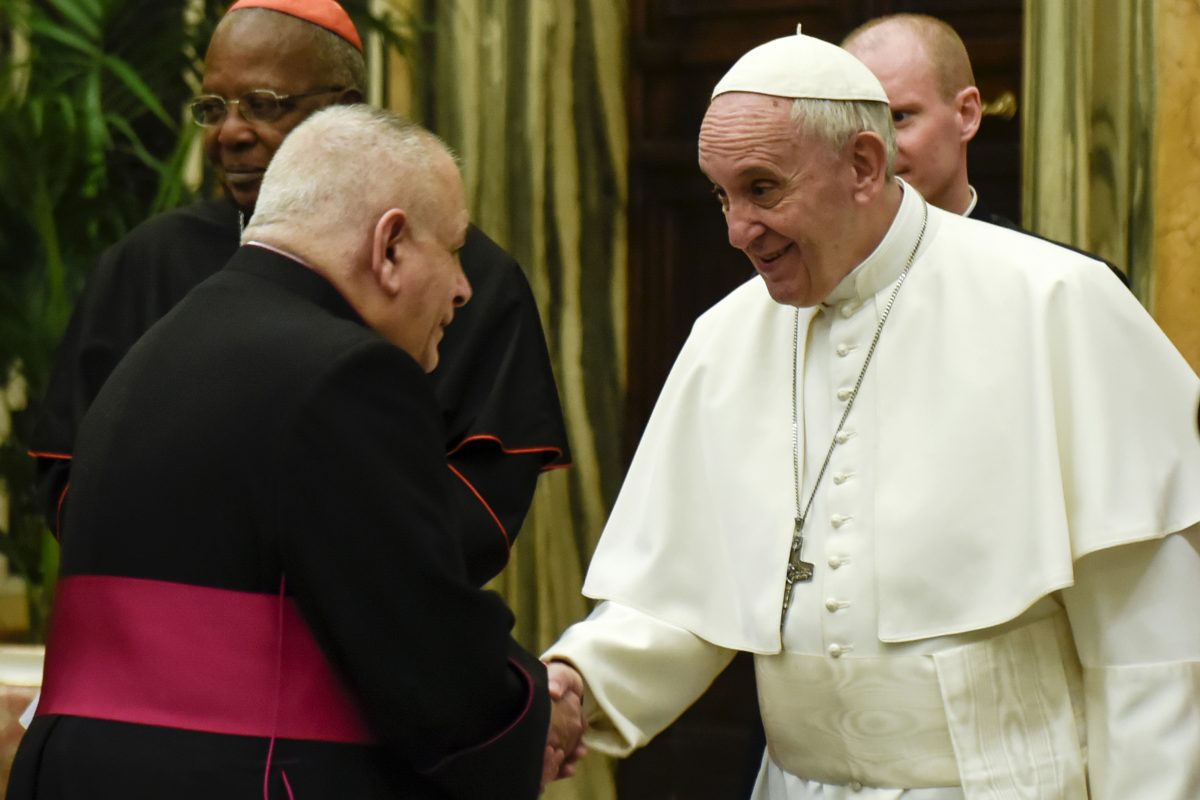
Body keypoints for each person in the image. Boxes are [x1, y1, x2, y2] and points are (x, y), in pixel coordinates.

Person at [543, 29, 1200, 799]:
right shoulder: (726, 338)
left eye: (762, 188)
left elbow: (1145, 636)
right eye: (721, 195)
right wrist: (574, 686)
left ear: (862, 164)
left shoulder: (1054, 302)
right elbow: (683, 594)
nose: (735, 230)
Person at [7, 105, 583, 799]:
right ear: (391, 246)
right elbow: (419, 644)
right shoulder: (347, 375)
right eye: (455, 249)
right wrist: (530, 706)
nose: (464, 287)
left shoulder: (161, 346)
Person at [29, 0, 568, 586]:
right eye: (213, 109)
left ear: (345, 113)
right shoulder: (147, 264)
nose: (230, 133)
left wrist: (316, 581)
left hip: (378, 637)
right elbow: (78, 484)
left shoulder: (464, 278)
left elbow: (481, 503)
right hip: (178, 624)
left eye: (262, 105)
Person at [841, 13, 1130, 287]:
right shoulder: (811, 286)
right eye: (854, 127)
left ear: (966, 115)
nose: (874, 150)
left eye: (899, 118)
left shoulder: (1067, 284)